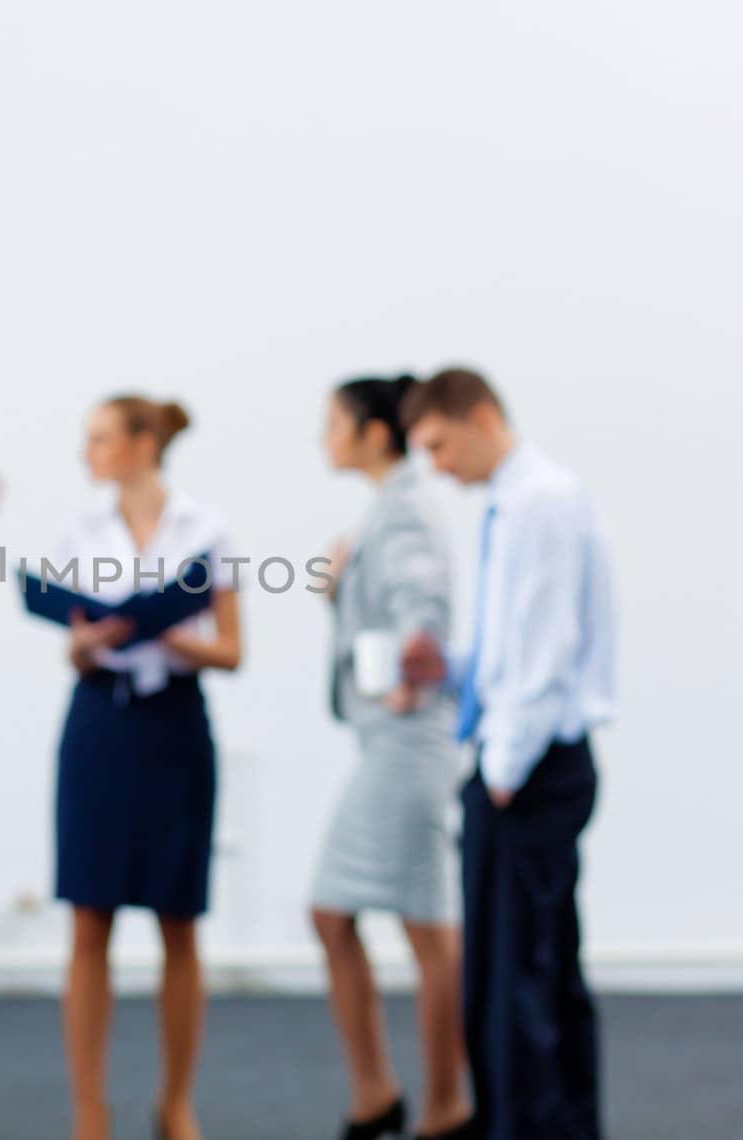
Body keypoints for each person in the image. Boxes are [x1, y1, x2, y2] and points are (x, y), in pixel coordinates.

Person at [399, 367, 616, 1140]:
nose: (436, 464)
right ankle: (542, 1125)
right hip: (516, 762)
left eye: (438, 443)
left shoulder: (543, 502)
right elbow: (513, 650)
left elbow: (547, 649)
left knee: (518, 977)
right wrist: (453, 672)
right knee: (526, 967)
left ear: (481, 414)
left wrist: (501, 770)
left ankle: (532, 1128)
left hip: (525, 774)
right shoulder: (514, 504)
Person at [53, 395, 242, 1140]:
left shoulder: (208, 531)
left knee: (178, 921)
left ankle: (176, 1104)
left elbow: (232, 650)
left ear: (142, 443)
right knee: (89, 920)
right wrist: (92, 640)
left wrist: (158, 632)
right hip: (99, 725)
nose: (88, 453)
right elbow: (71, 643)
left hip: (175, 729)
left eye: (99, 438)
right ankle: (90, 1114)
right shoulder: (80, 531)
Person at [312, 376, 474, 1140]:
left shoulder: (404, 509)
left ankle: (441, 1104)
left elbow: (424, 610)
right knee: (381, 917)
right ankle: (383, 1094)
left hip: (408, 744)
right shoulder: (387, 507)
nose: (324, 437)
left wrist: (410, 674)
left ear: (375, 433)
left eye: (334, 423)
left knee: (424, 926)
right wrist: (338, 593)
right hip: (391, 740)